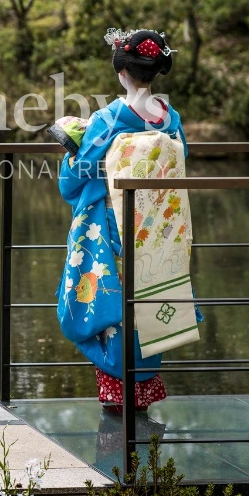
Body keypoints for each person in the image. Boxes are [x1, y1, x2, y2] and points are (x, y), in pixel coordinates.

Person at [55, 28, 200, 411]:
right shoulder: (170, 119)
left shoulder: (109, 118)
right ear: (155, 72)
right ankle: (142, 397)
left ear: (122, 72)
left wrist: (71, 150)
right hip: (156, 229)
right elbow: (180, 159)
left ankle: (116, 400)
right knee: (147, 303)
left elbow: (76, 177)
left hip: (114, 226)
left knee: (114, 310)